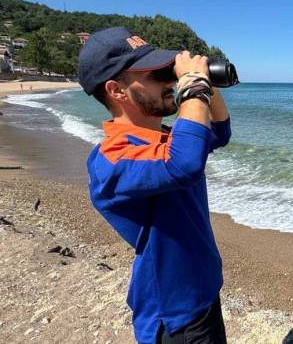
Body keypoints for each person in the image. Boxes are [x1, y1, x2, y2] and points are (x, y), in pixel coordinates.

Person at [78, 27, 231, 344]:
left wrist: (204, 81)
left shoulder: (164, 139)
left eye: (166, 71)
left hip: (201, 292)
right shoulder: (111, 161)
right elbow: (183, 165)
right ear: (117, 90)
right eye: (155, 75)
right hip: (176, 318)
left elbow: (219, 131)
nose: (169, 81)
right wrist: (193, 87)